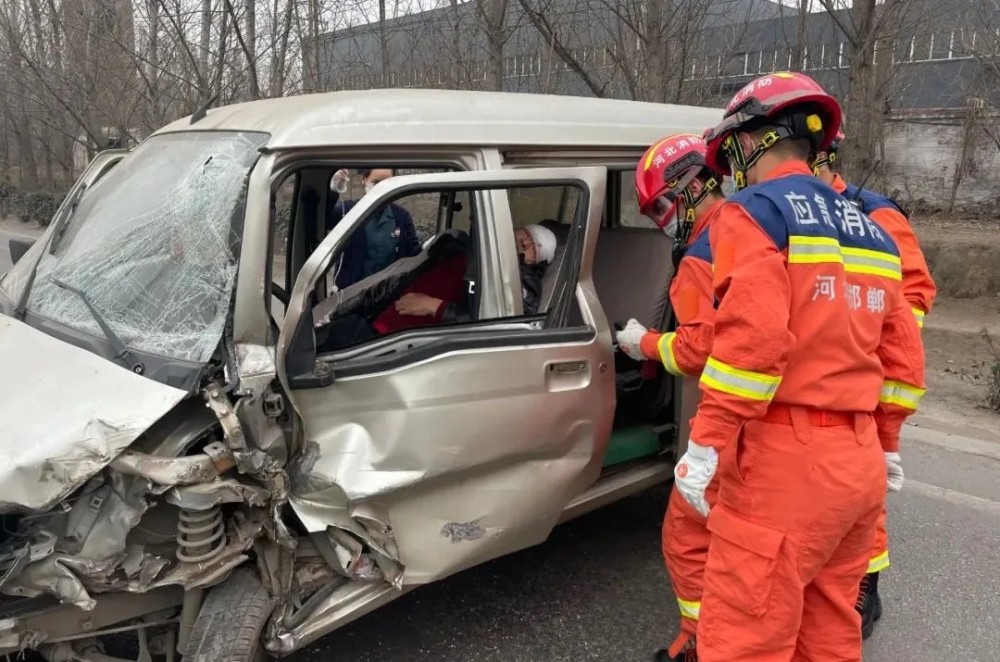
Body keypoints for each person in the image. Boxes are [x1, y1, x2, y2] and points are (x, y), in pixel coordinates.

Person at [666, 71, 925, 661]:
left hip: (785, 467)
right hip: (856, 468)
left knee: (746, 639)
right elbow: (904, 357)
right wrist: (886, 442)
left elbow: (750, 348)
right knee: (830, 628)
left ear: (751, 140)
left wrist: (705, 446)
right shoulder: (871, 230)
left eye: (730, 149)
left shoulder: (752, 213)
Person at [810, 126, 937, 638]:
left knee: (866, 492)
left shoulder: (874, 213)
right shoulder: (796, 212)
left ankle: (866, 585)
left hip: (871, 378)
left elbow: (915, 297)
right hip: (823, 375)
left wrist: (870, 343)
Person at [614, 133, 725, 662]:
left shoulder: (705, 250)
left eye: (662, 205)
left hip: (738, 421)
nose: (661, 220)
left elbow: (698, 351)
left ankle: (700, 644)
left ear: (693, 184)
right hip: (777, 417)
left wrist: (643, 344)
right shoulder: (749, 228)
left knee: (689, 535)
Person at [394, 223, 557, 321]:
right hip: (396, 308)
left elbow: (497, 325)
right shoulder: (478, 247)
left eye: (535, 249)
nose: (525, 242)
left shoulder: (523, 283)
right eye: (528, 234)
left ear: (536, 263)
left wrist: (434, 307)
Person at [328, 168, 422, 288]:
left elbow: (413, 255)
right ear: (364, 180)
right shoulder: (347, 211)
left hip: (388, 295)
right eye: (376, 182)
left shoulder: (401, 217)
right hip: (350, 296)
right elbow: (324, 219)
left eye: (388, 183)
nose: (382, 188)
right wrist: (332, 192)